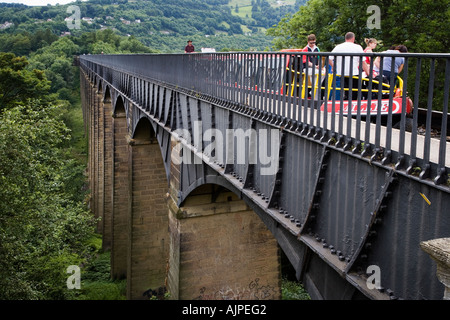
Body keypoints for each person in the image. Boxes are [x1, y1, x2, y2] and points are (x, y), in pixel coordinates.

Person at [329, 32, 370, 100]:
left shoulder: (338, 47)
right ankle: (351, 105)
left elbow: (329, 58)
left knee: (343, 91)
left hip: (341, 73)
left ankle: (343, 104)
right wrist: (368, 74)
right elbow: (363, 62)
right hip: (353, 73)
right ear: (353, 38)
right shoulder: (357, 47)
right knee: (354, 92)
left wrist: (334, 66)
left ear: (345, 38)